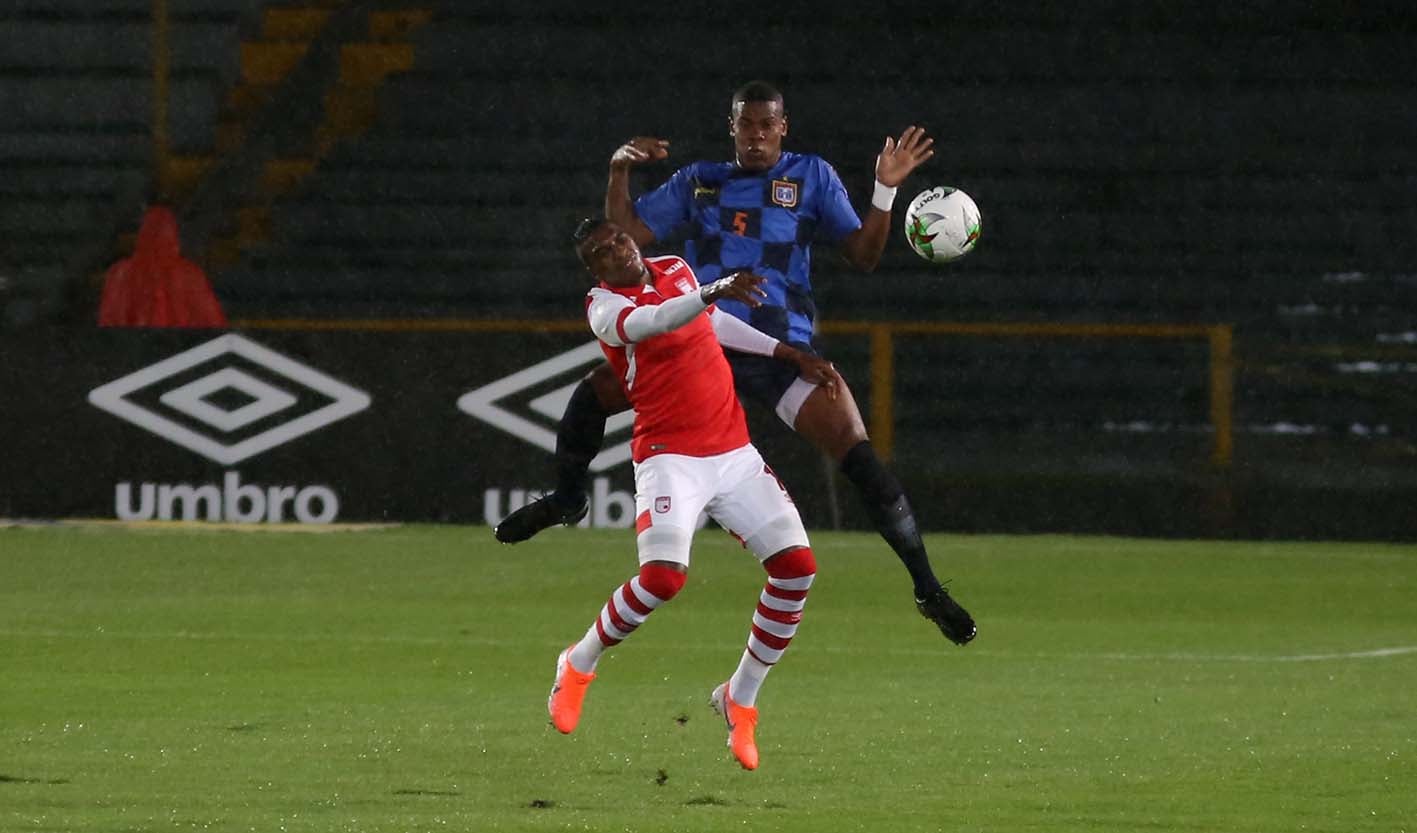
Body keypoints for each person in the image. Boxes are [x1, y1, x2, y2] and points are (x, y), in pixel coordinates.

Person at [498, 80, 975, 647]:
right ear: (733, 128)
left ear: (783, 127)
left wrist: (884, 190)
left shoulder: (813, 176)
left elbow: (864, 255)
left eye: (765, 125)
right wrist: (619, 170)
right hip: (702, 348)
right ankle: (570, 497)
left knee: (862, 456)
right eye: (745, 126)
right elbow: (622, 241)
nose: (755, 136)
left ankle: (926, 588)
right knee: (592, 394)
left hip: (780, 348)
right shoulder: (700, 181)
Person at [548, 217, 838, 771]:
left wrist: (785, 352)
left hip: (732, 452)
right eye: (600, 252)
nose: (616, 250)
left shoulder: (676, 269)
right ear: (593, 269)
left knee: (797, 568)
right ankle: (578, 661)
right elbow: (656, 321)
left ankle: (741, 698)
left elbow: (714, 322)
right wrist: (711, 289)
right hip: (669, 456)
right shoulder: (603, 308)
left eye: (618, 239)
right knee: (662, 578)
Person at [97, 205, 227, 328]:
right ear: (174, 233)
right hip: (181, 345)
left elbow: (108, 320)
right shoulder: (190, 273)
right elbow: (213, 321)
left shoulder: (120, 272)